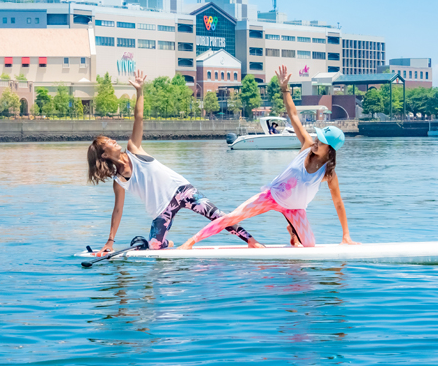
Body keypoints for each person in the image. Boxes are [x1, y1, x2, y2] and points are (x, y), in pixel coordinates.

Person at [179, 65, 359, 250]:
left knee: (310, 246)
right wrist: (284, 89)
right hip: (272, 196)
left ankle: (292, 229)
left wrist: (346, 235)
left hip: (295, 209)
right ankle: (190, 242)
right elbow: (294, 115)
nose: (316, 141)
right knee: (232, 217)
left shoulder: (328, 173)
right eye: (317, 137)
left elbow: (338, 203)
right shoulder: (306, 144)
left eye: (321, 141)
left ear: (330, 150)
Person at [87, 70, 263, 255]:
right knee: (155, 247)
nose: (113, 140)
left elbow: (138, 118)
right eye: (108, 142)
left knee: (216, 215)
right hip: (161, 209)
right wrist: (110, 241)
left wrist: (140, 91)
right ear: (104, 155)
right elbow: (117, 211)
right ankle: (166, 243)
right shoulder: (119, 181)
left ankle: (251, 241)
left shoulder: (134, 149)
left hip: (181, 190)